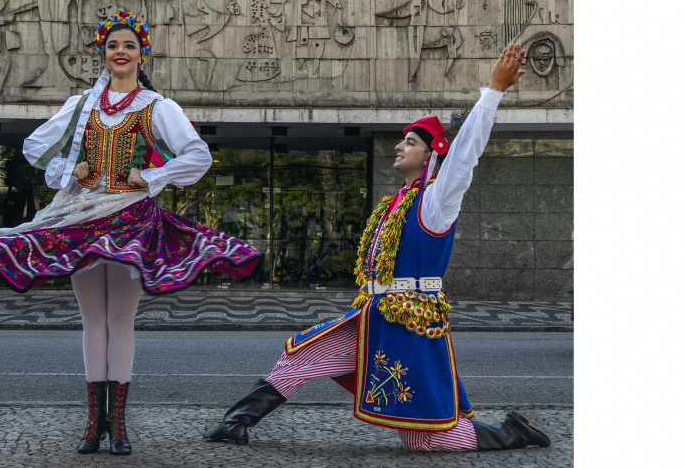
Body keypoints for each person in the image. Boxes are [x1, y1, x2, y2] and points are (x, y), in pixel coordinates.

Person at [203, 44, 551, 452]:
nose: (399, 147)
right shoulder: (397, 203)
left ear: (430, 156)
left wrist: (493, 91)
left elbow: (464, 155)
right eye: (401, 140)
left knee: (423, 439)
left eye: (409, 142)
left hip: (409, 324)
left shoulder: (437, 201)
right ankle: (236, 422)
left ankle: (511, 432)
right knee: (300, 355)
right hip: (374, 314)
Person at [0, 11, 264, 456]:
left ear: (142, 55)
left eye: (129, 46)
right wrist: (66, 167)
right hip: (81, 216)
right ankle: (93, 424)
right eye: (114, 45)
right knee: (92, 319)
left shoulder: (157, 107)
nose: (121, 51)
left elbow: (198, 155)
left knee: (120, 319)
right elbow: (35, 145)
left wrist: (153, 177)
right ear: (103, 53)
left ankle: (117, 425)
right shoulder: (82, 105)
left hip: (130, 217)